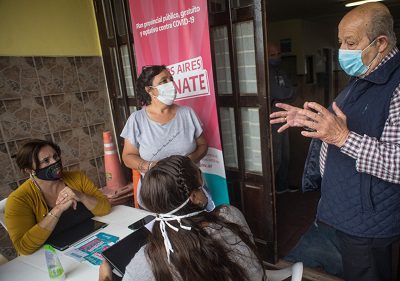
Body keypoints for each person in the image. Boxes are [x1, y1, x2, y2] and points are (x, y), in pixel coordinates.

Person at [270, 3, 400, 281]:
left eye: (351, 42)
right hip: (346, 208)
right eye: (341, 42)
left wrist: (342, 138)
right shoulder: (364, 77)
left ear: (381, 42)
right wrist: (310, 119)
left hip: (369, 219)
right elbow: (345, 121)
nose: (343, 50)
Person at [98, 155, 265, 281]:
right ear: (193, 196)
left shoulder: (150, 260)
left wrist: (104, 276)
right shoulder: (230, 214)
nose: (204, 186)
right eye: (201, 184)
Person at [121, 65, 208, 207]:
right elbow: (128, 156)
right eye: (163, 81)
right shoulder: (136, 120)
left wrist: (185, 163)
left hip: (192, 193)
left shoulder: (187, 113)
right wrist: (148, 166)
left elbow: (203, 145)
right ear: (149, 90)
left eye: (171, 79)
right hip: (156, 195)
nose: (170, 84)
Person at [5, 139, 111, 255]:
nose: (54, 162)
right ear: (30, 170)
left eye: (55, 156)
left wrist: (81, 196)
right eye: (46, 161)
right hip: (55, 257)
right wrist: (57, 210)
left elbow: (105, 208)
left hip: (92, 240)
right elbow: (23, 247)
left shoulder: (77, 178)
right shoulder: (18, 199)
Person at [268, 42, 296, 194]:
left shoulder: (281, 69)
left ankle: (282, 185)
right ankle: (272, 189)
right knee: (276, 153)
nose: (276, 57)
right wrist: (286, 93)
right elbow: (280, 92)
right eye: (272, 55)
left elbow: (292, 91)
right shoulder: (266, 71)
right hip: (273, 115)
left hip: (285, 113)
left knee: (286, 152)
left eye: (278, 54)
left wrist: (286, 93)